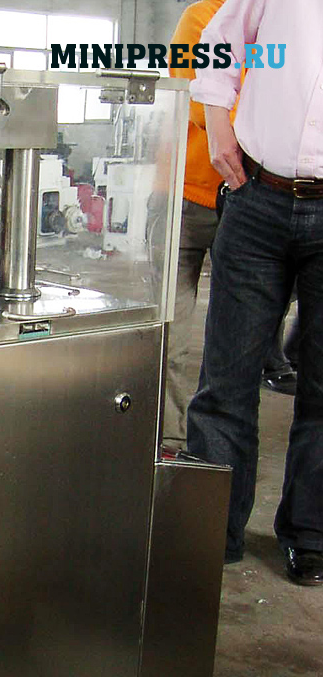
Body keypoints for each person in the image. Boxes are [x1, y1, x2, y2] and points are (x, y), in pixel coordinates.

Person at [187, 0, 323, 584]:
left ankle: (311, 536)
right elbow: (219, 42)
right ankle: (211, 530)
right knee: (226, 381)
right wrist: (218, 126)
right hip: (257, 196)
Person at [163, 0, 232, 450]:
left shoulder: (275, 23)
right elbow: (195, 98)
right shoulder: (202, 17)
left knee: (232, 342)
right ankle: (167, 436)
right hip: (186, 195)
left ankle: (211, 444)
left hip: (246, 199)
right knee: (170, 333)